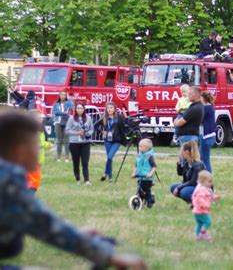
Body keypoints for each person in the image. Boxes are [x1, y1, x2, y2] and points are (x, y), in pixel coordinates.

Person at [0, 108, 146, 269]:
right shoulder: (7, 180)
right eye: (35, 144)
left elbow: (39, 223)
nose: (38, 150)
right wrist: (108, 255)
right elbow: (44, 223)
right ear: (19, 150)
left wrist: (77, 236)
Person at [66, 103, 94, 186]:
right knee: (76, 162)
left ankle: (87, 180)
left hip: (85, 142)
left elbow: (92, 128)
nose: (79, 110)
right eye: (78, 108)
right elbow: (67, 131)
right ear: (75, 109)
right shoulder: (71, 118)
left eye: (81, 108)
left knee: (85, 162)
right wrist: (76, 132)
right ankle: (77, 178)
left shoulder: (88, 118)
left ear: (84, 109)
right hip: (74, 143)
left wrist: (87, 133)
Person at [96, 102, 125, 182]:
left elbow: (124, 126)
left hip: (116, 141)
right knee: (110, 158)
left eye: (111, 108)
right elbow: (95, 125)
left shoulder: (118, 117)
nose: (109, 109)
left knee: (109, 157)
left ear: (114, 109)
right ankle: (110, 177)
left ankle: (106, 173)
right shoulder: (104, 117)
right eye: (108, 108)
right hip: (107, 141)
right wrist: (101, 132)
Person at [26, 109, 52, 193]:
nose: (42, 119)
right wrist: (47, 145)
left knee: (35, 179)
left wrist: (47, 145)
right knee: (33, 180)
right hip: (31, 159)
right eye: (40, 117)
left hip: (38, 158)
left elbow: (41, 143)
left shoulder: (39, 129)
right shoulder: (31, 130)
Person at [192, 170, 219, 241]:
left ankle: (198, 236)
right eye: (209, 181)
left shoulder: (205, 189)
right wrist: (205, 205)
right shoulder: (201, 190)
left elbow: (209, 196)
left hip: (197, 211)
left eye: (211, 181)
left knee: (200, 223)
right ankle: (202, 234)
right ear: (202, 181)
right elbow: (198, 199)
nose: (211, 183)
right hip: (201, 210)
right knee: (208, 221)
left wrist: (214, 197)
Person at [131, 138, 157, 208]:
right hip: (140, 177)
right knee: (140, 190)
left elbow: (154, 167)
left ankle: (150, 199)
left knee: (146, 190)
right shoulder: (139, 156)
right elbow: (136, 165)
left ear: (146, 148)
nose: (139, 148)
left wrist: (150, 174)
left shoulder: (149, 157)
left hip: (147, 178)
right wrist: (134, 173)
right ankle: (140, 201)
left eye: (141, 146)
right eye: (139, 146)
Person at [52, 90, 74, 162]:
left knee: (67, 140)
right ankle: (58, 157)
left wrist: (69, 98)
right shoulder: (56, 103)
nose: (63, 96)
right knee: (59, 140)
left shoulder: (68, 103)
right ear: (59, 95)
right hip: (58, 123)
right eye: (62, 95)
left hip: (66, 123)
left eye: (64, 95)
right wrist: (65, 113)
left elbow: (72, 106)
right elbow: (55, 112)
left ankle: (67, 157)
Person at [200, 91, 216, 173]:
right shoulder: (210, 107)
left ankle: (208, 177)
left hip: (207, 136)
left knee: (205, 159)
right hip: (209, 135)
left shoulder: (206, 108)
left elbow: (200, 119)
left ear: (204, 99)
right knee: (203, 158)